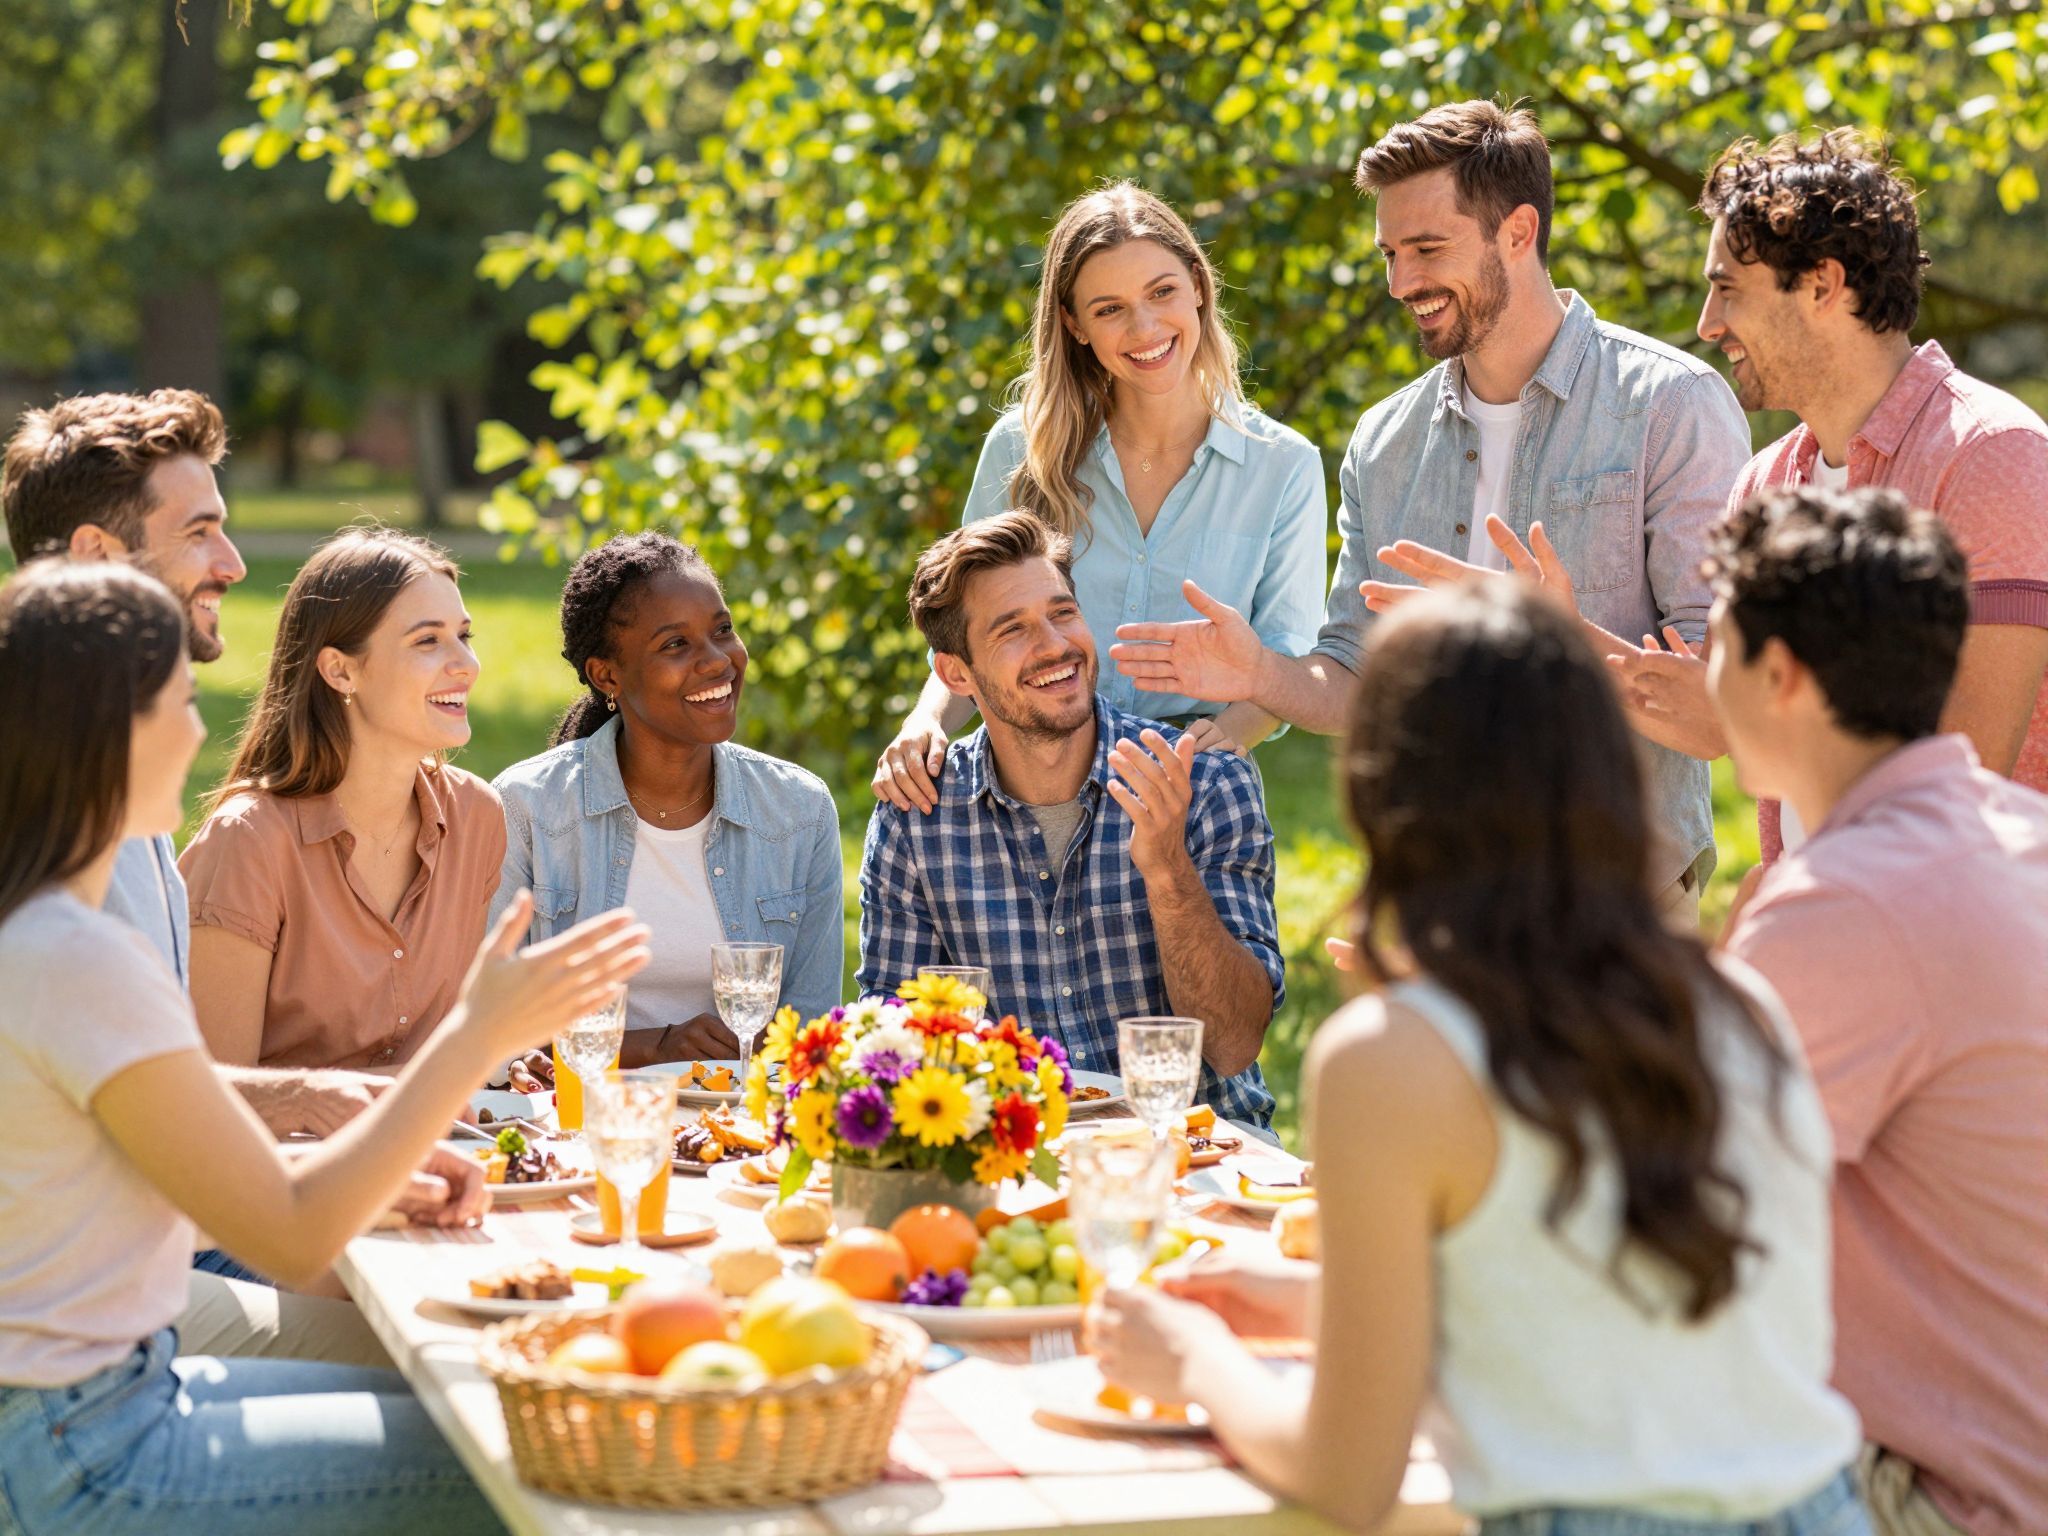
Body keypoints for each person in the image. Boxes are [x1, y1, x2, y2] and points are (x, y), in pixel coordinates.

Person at [1092, 580, 1866, 1535]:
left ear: (1382, 788)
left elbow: (1344, 1479)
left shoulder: (1395, 1054)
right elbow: (1600, 1304)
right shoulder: (1739, 1000)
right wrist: (1301, 1302)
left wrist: (1195, 1361)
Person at [0, 558, 649, 1535]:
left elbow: (192, 1178)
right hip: (87, 1452)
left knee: (485, 1406)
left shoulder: (46, 933)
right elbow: (290, 1234)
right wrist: (479, 1032)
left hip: (89, 1405)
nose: (194, 731)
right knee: (554, 1454)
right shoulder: (77, 955)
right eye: (178, 701)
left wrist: (372, 1158)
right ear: (105, 732)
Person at [1109, 101, 1751, 916]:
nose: (1402, 282)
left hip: (1616, 904)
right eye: (1388, 253)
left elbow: (1717, 720)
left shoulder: (1670, 407)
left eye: (1427, 248)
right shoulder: (1384, 442)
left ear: (1518, 232)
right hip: (1437, 901)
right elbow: (1352, 678)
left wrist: (1558, 646)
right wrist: (1260, 674)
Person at [1704, 486, 2048, 1536]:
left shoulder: (1840, 905)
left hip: (1942, 1495)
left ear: (1780, 676)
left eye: (1712, 640)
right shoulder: (2018, 830)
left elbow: (1658, 1228)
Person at [1613, 129, 2048, 862]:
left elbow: (1966, 773)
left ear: (1822, 284)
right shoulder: (1764, 483)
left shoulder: (1992, 453)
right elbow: (1726, 721)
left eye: (1726, 289)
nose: (1707, 326)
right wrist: (1547, 635)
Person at [872, 180, 1328, 814]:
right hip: (1029, 779)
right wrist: (927, 719)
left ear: (1198, 285)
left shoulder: (1285, 466)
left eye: (1162, 291)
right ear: (1074, 323)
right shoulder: (1021, 449)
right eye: (1109, 308)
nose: (1145, 327)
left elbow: (1285, 654)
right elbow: (964, 625)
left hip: (1189, 783)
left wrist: (1228, 737)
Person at [858, 511, 1283, 1127]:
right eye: (1013, 630)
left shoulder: (1207, 783)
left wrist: (1167, 871)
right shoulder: (917, 819)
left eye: (1062, 613)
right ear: (955, 672)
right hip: (1019, 1161)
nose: (1055, 646)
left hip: (1200, 1156)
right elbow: (892, 1049)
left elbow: (1234, 1042)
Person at [492, 532, 843, 1058]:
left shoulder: (798, 810)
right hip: (576, 1117)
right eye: (675, 644)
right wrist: (658, 1047)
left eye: (722, 630)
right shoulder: (527, 808)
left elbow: (813, 1026)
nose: (717, 661)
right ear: (606, 674)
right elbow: (494, 1027)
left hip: (744, 1123)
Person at [180, 528, 508, 1075]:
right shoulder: (248, 842)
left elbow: (453, 1046)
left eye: (464, 636)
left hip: (445, 1150)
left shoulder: (476, 816)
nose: (466, 665)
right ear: (340, 670)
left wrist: (492, 1067)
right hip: (287, 1159)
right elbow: (212, 1101)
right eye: (428, 641)